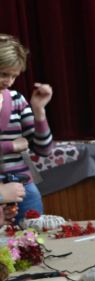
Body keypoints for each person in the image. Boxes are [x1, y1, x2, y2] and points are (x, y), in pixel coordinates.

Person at [0, 34, 54, 220]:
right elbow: (16, 145)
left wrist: (39, 111)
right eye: (3, 74)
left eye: (14, 76)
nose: (9, 82)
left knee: (33, 235)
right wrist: (11, 146)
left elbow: (44, 149)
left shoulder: (17, 100)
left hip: (23, 188)